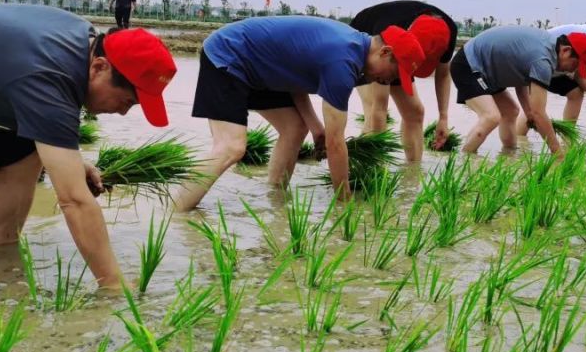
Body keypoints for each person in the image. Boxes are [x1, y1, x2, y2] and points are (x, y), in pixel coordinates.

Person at [0, 3, 177, 288]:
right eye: (127, 101)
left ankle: (4, 260)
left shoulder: (82, 40)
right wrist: (115, 286)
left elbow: (40, 118)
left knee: (21, 153)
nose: (122, 112)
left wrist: (71, 163)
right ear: (99, 67)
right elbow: (75, 201)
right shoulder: (51, 75)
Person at [173, 15, 436, 211]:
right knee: (231, 147)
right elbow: (335, 144)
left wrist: (314, 126)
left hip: (265, 70)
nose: (390, 81)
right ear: (385, 52)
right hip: (230, 54)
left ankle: (274, 198)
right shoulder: (343, 61)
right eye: (394, 72)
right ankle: (176, 211)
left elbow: (294, 74)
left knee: (294, 129)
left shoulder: (357, 55)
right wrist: (343, 203)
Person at [450, 26, 586, 158]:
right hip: (469, 64)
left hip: (489, 71)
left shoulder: (548, 46)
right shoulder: (543, 61)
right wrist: (558, 153)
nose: (573, 70)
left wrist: (528, 112)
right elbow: (539, 113)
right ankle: (464, 160)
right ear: (566, 50)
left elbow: (521, 79)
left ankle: (508, 155)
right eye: (576, 64)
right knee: (491, 117)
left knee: (511, 111)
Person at [349, 1, 455, 161]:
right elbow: (380, 108)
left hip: (400, 53)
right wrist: (380, 166)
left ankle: (413, 174)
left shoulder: (449, 31)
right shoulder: (389, 32)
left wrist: (443, 117)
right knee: (372, 108)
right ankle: (370, 168)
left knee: (415, 112)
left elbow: (443, 75)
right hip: (367, 43)